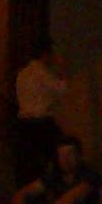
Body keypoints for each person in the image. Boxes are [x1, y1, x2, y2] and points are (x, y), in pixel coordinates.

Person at [13, 42, 68, 188]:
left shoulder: (22, 74)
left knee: (30, 162)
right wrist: (62, 70)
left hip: (24, 124)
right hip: (41, 123)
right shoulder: (42, 73)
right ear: (46, 55)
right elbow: (60, 89)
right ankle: (54, 186)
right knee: (58, 155)